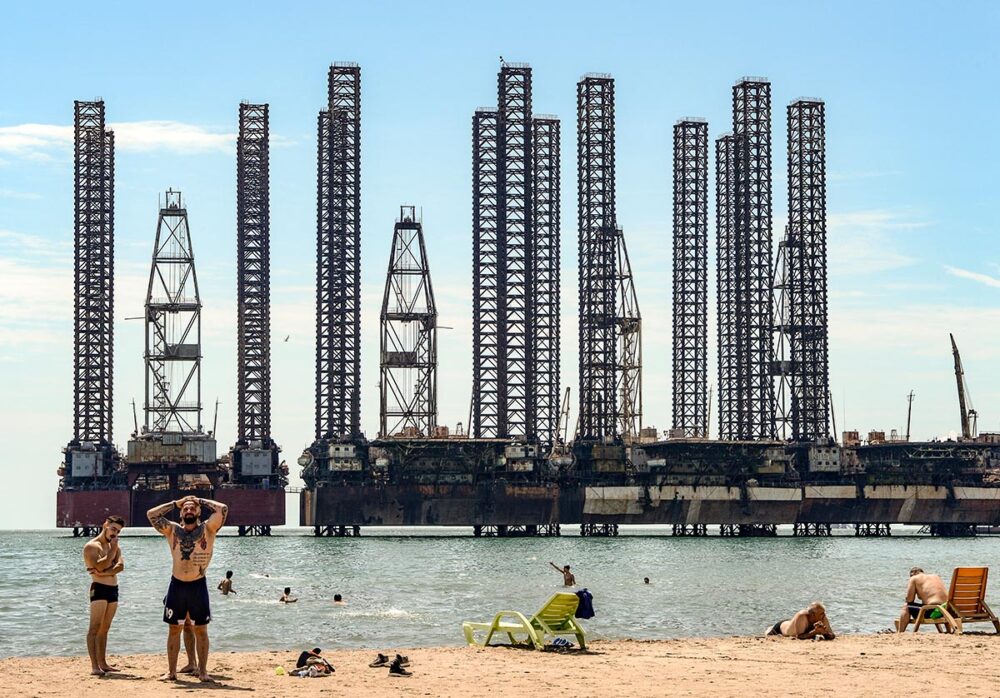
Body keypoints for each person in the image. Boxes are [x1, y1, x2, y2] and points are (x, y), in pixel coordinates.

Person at [147, 495, 229, 682]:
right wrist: (175, 503)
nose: (189, 510)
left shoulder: (208, 529)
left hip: (197, 585)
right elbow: (151, 514)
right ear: (181, 513)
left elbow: (222, 508)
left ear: (199, 512)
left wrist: (200, 500)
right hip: (177, 585)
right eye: (185, 509)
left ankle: (203, 672)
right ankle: (171, 672)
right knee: (174, 629)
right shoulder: (172, 530)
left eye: (192, 508)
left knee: (201, 630)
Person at [83, 515, 125, 676]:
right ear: (105, 525)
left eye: (118, 531)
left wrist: (104, 571)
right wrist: (111, 555)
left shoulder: (114, 546)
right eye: (113, 529)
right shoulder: (92, 546)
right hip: (99, 589)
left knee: (105, 628)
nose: (115, 534)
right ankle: (94, 666)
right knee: (94, 628)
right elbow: (99, 565)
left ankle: (103, 663)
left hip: (113, 589)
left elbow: (120, 566)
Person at [897, 567, 949, 633]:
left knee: (906, 607)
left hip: (932, 611)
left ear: (913, 574)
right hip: (946, 610)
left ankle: (900, 632)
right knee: (930, 604)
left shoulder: (914, 578)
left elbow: (910, 600)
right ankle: (943, 631)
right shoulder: (935, 577)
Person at [765, 601, 836, 640]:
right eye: (821, 613)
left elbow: (832, 635)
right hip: (780, 629)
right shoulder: (802, 616)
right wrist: (815, 632)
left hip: (792, 624)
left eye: (824, 612)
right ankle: (770, 628)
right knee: (767, 634)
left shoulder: (822, 617)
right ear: (813, 615)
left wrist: (824, 633)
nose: (824, 615)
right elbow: (799, 636)